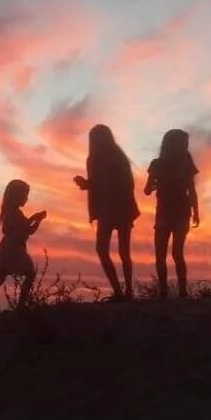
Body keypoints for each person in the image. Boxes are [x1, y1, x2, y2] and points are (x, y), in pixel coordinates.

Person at [73, 124, 140, 300]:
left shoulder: (115, 158)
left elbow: (123, 184)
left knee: (121, 252)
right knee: (105, 250)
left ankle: (126, 292)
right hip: (107, 210)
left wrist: (89, 185)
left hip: (120, 208)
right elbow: (100, 184)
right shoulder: (95, 159)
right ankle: (120, 291)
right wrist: (87, 184)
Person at [144, 129, 200, 299]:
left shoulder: (160, 164)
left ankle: (167, 292)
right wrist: (196, 212)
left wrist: (196, 211)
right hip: (175, 211)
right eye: (184, 143)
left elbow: (147, 190)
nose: (186, 146)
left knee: (165, 254)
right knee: (174, 253)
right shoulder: (167, 164)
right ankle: (175, 292)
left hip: (173, 211)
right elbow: (191, 190)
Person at [0, 179, 46, 315]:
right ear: (16, 196)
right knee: (29, 274)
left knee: (0, 278)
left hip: (10, 249)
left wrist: (36, 219)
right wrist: (37, 219)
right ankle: (20, 306)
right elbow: (28, 228)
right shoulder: (14, 213)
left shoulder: (11, 212)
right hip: (14, 250)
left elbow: (27, 228)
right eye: (25, 195)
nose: (26, 198)